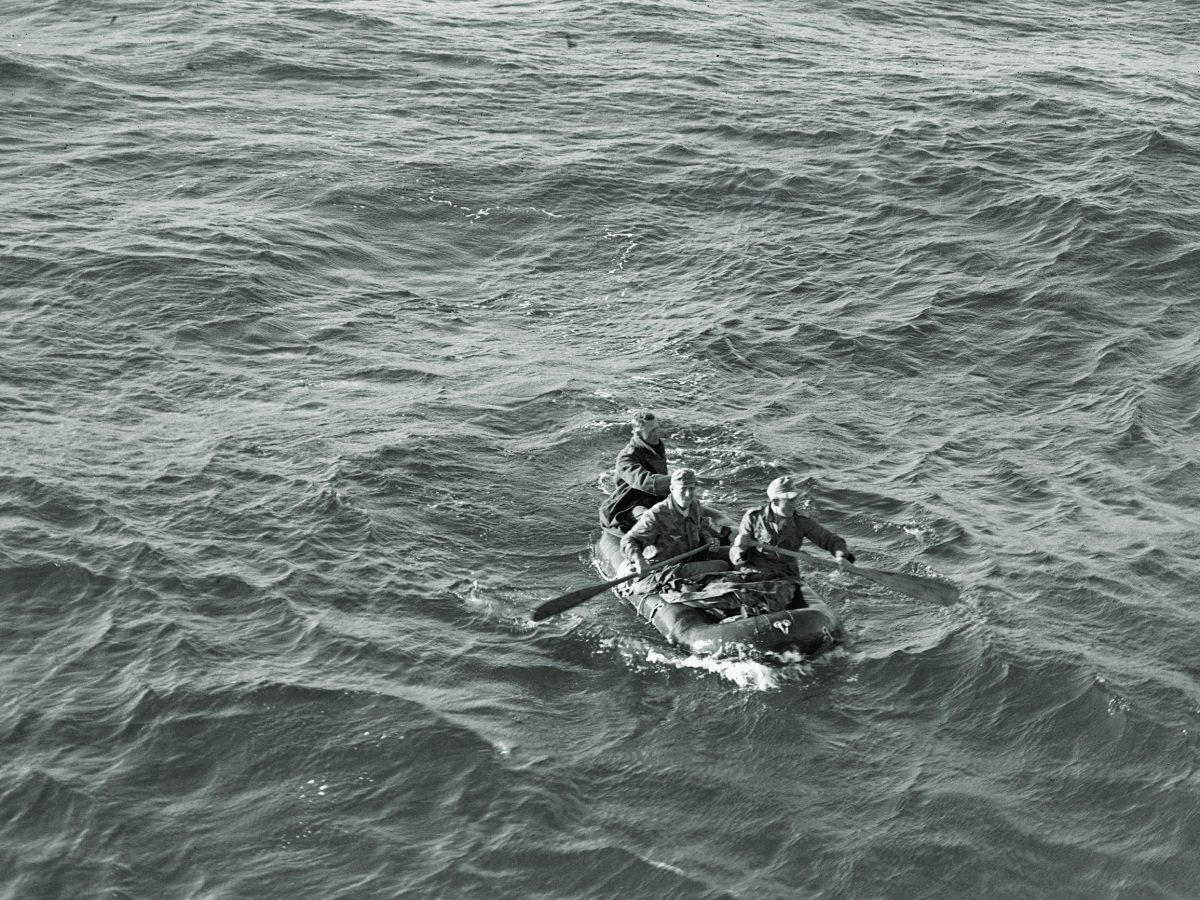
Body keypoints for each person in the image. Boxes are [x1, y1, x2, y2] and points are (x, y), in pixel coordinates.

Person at [729, 475, 855, 610]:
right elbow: (736, 558)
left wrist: (842, 556)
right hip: (754, 572)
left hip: (783, 577)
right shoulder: (753, 518)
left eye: (795, 499)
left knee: (781, 594)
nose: (795, 504)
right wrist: (740, 547)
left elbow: (829, 539)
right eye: (790, 500)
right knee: (725, 588)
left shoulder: (801, 521)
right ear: (775, 502)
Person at [620, 468, 730, 591]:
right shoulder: (657, 515)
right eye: (683, 489)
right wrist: (639, 561)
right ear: (672, 489)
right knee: (721, 566)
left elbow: (699, 528)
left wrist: (709, 539)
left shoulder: (694, 505)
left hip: (691, 556)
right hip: (668, 568)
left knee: (730, 553)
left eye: (691, 489)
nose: (688, 494)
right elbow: (628, 540)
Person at [599, 410, 671, 532]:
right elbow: (644, 481)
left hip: (655, 498)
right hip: (631, 503)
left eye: (657, 428)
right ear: (638, 433)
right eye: (651, 431)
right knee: (653, 520)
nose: (657, 433)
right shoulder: (626, 457)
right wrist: (676, 480)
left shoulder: (655, 448)